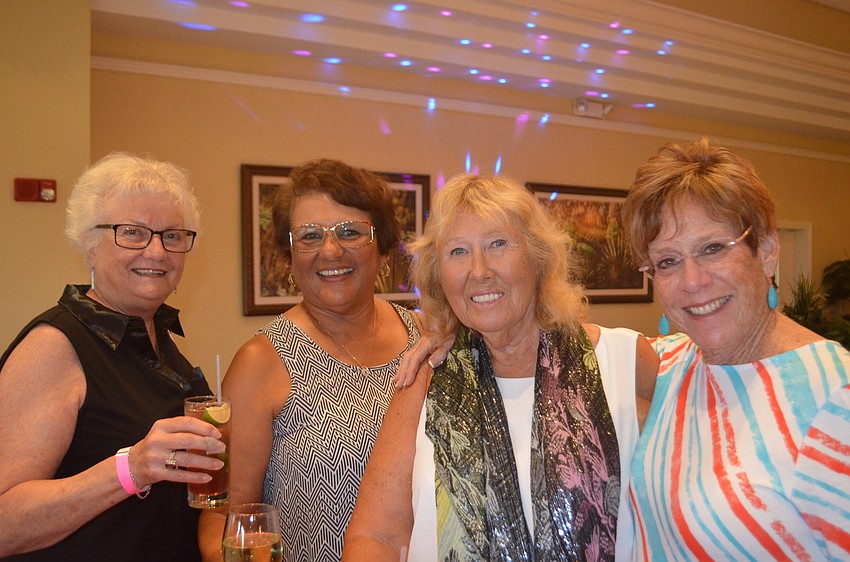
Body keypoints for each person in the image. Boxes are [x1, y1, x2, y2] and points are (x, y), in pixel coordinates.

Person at [343, 173, 658, 561]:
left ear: (537, 258)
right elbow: (378, 536)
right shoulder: (424, 379)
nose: (479, 270)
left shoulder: (625, 361)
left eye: (497, 244)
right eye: (458, 251)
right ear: (439, 275)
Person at [620, 137, 850, 560]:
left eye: (712, 249)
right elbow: (551, 340)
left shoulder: (834, 397)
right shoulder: (671, 363)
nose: (691, 281)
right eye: (667, 261)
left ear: (766, 251)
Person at [0, 153, 225, 560]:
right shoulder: (55, 344)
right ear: (89, 245)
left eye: (172, 235)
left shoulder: (158, 341)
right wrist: (131, 468)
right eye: (133, 233)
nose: (157, 252)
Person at [198, 159, 422, 562]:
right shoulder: (261, 362)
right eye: (309, 236)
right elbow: (221, 526)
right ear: (289, 259)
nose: (330, 250)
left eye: (351, 232)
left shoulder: (425, 339)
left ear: (384, 250)